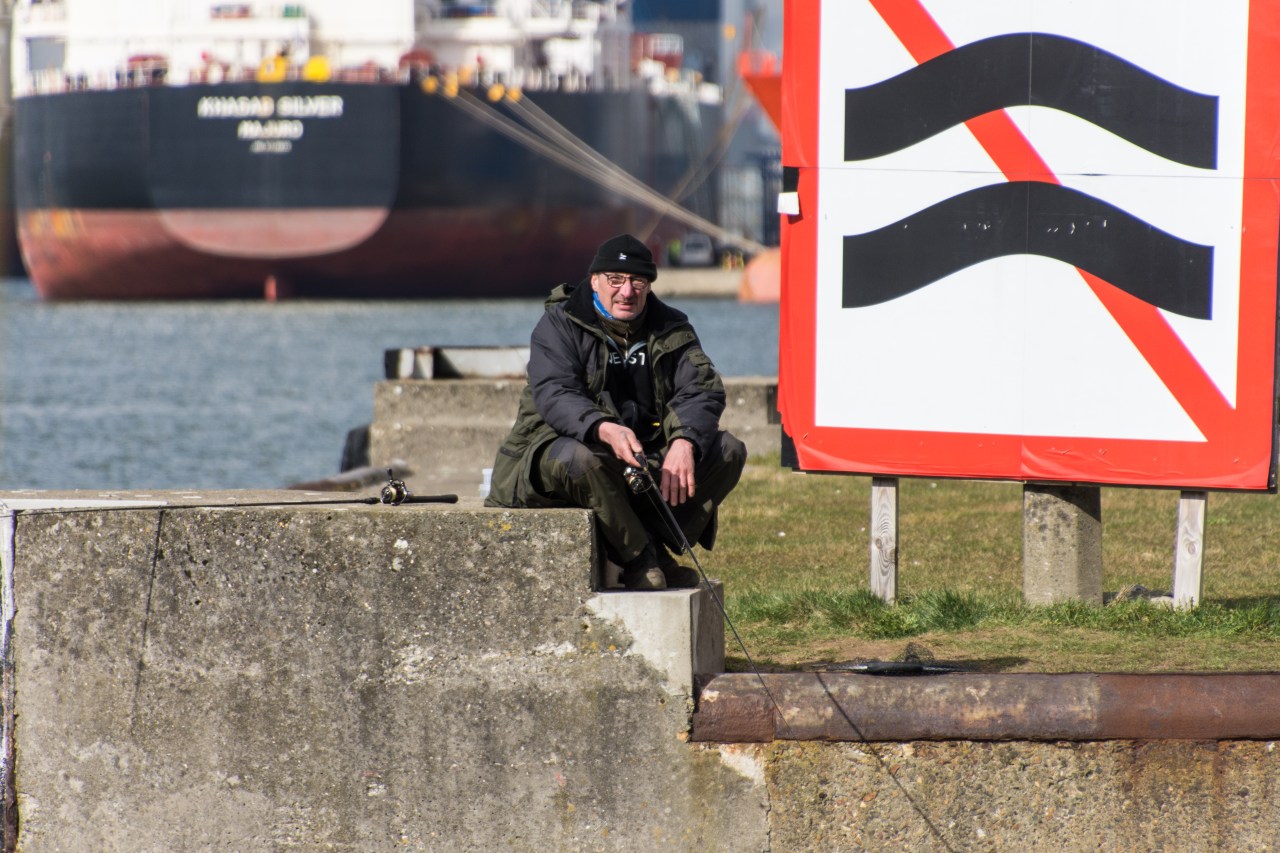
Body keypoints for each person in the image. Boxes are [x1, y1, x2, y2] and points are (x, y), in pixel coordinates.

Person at [484, 234, 747, 590]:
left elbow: (701, 389)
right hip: (555, 450)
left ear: (649, 285)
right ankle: (640, 560)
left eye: (638, 281)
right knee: (582, 460)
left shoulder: (673, 327)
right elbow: (555, 393)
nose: (627, 291)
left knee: (727, 449)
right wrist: (604, 427)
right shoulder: (559, 323)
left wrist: (684, 441)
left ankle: (654, 545)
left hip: (641, 454)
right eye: (615, 280)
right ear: (594, 281)